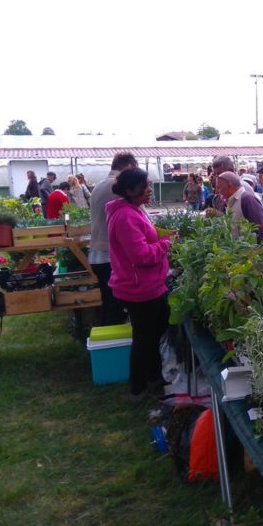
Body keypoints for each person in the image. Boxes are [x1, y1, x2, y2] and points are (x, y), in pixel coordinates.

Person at [106, 167, 172, 401]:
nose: (149, 191)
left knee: (155, 331)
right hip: (139, 289)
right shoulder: (125, 216)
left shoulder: (133, 209)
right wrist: (166, 244)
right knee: (144, 338)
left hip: (148, 285)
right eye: (146, 186)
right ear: (132, 190)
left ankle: (154, 378)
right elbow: (142, 256)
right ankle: (138, 389)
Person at [90, 152, 138, 326]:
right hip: (110, 256)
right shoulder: (118, 186)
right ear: (129, 166)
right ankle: (116, 346)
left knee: (109, 305)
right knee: (117, 310)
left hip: (97, 254)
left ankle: (109, 342)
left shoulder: (99, 185)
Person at [215, 171, 263, 240]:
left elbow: (258, 228)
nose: (217, 191)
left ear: (229, 185)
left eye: (219, 187)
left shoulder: (247, 199)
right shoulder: (229, 201)